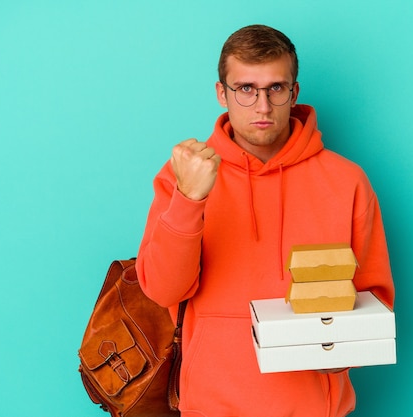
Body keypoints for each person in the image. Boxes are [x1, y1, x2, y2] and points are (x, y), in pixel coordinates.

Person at [136, 24, 394, 417]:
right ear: (222, 93)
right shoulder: (183, 175)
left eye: (276, 88)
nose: (262, 106)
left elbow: (374, 298)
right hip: (210, 405)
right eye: (246, 89)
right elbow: (162, 289)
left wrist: (342, 346)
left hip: (313, 407)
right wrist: (190, 199)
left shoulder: (347, 181)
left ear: (294, 92)